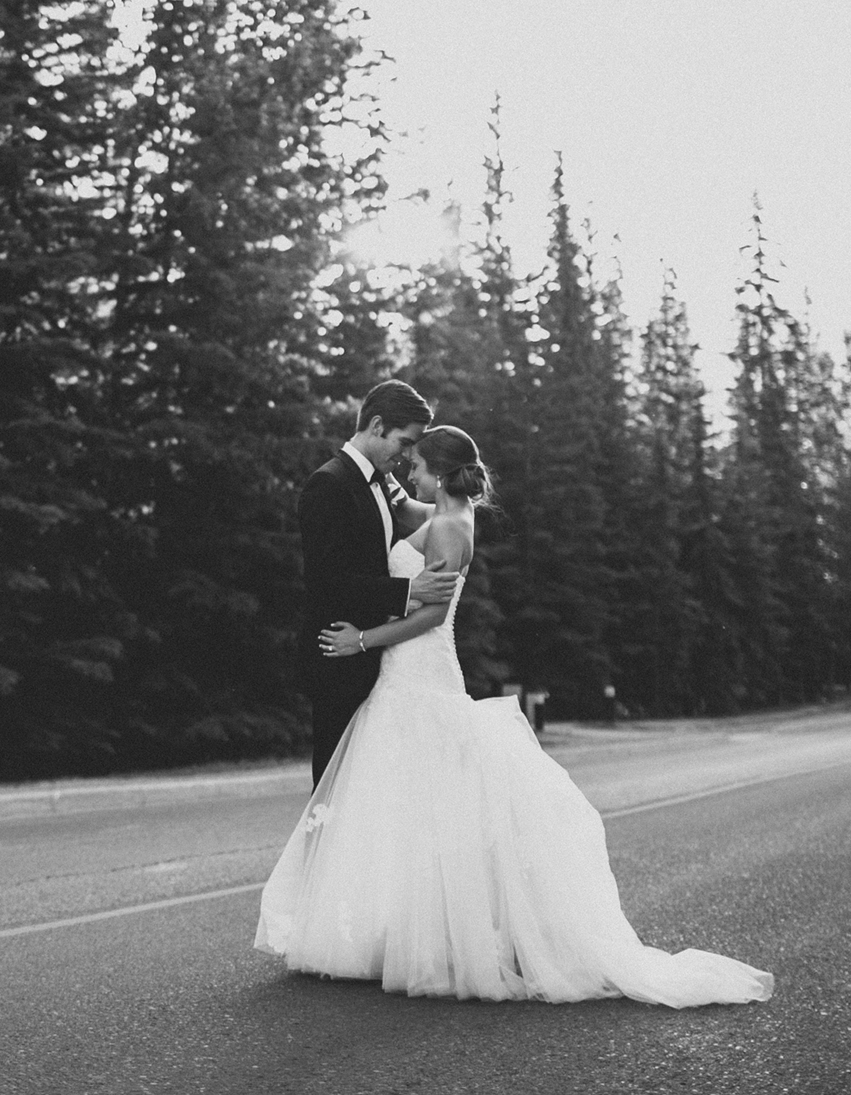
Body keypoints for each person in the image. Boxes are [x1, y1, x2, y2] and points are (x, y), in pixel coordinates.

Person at [257, 424, 775, 1007]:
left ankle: (429, 935)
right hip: (403, 673)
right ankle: (390, 931)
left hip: (420, 664)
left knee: (419, 799)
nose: (411, 473)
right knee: (403, 802)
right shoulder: (444, 513)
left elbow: (430, 614)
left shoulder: (453, 528)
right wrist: (378, 478)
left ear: (443, 473)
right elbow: (399, 510)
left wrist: (363, 640)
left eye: (420, 466)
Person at [296, 380, 461, 785]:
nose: (407, 457)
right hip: (341, 661)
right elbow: (326, 583)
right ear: (376, 425)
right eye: (404, 443)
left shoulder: (381, 485)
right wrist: (410, 591)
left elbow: (442, 514)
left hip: (381, 663)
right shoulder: (329, 484)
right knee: (336, 791)